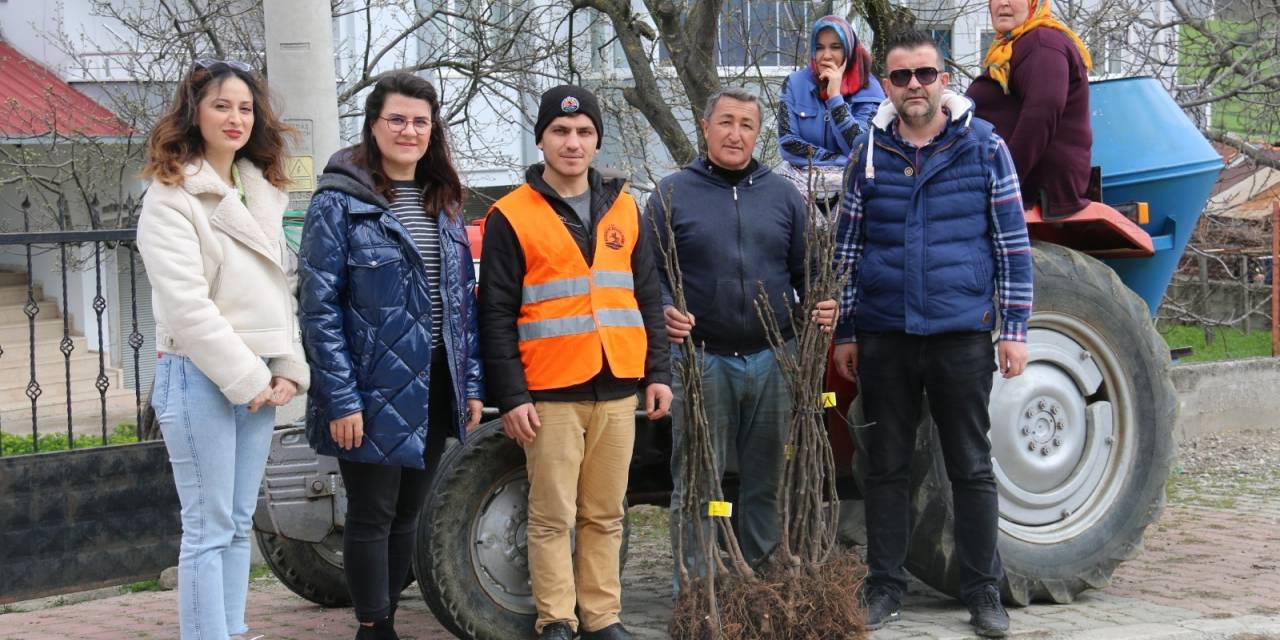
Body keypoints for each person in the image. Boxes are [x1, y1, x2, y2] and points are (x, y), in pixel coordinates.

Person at [831, 30, 1032, 638]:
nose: (913, 86)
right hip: (886, 332)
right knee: (886, 466)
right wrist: (845, 327)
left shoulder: (984, 147)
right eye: (900, 77)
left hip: (959, 333)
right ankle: (886, 587)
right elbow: (848, 246)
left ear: (943, 77)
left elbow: (1010, 244)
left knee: (969, 465)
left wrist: (1013, 327)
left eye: (924, 74)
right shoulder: (868, 152)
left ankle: (983, 592)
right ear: (886, 86)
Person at [478, 85, 672, 640]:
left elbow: (647, 297)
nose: (572, 142)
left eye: (584, 132)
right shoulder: (509, 215)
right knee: (551, 516)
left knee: (606, 513)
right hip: (550, 390)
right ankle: (556, 620)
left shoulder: (625, 209)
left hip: (618, 387)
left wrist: (658, 373)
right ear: (541, 139)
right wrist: (512, 396)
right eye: (561, 131)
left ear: (597, 141)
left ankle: (603, 619)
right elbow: (494, 313)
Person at [298, 73, 484, 640]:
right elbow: (318, 307)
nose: (408, 130)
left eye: (420, 121)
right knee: (372, 513)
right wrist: (340, 398)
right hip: (370, 386)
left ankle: (387, 618)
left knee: (410, 513)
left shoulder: (445, 201)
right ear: (374, 125)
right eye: (396, 119)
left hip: (434, 382)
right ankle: (373, 627)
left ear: (433, 130)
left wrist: (470, 384)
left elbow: (462, 306)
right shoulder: (339, 201)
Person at [138, 58, 309, 640]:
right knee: (208, 526)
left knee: (238, 523)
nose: (236, 118)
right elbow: (187, 309)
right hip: (198, 375)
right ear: (194, 112)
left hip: (259, 377)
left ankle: (231, 630)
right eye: (221, 105)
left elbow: (281, 290)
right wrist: (250, 377)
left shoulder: (260, 190)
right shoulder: (171, 195)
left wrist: (287, 369)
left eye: (245, 107)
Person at [649, 87, 838, 589]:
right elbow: (650, 274)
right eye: (726, 122)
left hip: (775, 358)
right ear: (705, 126)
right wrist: (666, 307)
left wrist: (822, 303)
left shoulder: (783, 196)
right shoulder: (670, 194)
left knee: (767, 479)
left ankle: (762, 583)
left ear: (759, 134)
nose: (736, 134)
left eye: (747, 125)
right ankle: (698, 585)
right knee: (698, 481)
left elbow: (809, 270)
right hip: (701, 360)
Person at [966, 0, 1094, 219]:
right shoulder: (1013, 47)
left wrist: (1004, 181)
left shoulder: (1041, 42)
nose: (1003, 4)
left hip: (1031, 191)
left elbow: (1042, 113)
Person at [777, 15, 884, 208]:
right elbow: (788, 143)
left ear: (848, 50)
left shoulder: (871, 89)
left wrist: (835, 98)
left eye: (835, 47)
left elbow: (861, 148)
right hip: (801, 190)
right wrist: (838, 160)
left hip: (854, 191)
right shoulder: (794, 84)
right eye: (819, 48)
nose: (826, 55)